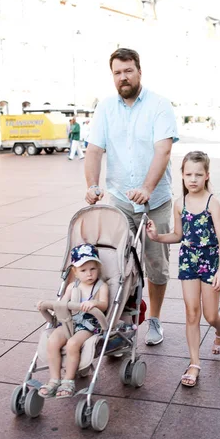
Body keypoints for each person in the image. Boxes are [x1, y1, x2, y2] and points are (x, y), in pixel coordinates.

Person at [84, 47, 179, 346]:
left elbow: (163, 149)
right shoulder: (105, 108)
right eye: (117, 72)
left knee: (156, 265)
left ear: (139, 71)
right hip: (121, 202)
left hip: (156, 201)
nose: (123, 77)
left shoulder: (160, 105)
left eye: (128, 70)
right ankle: (122, 321)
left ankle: (155, 319)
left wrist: (148, 188)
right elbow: (94, 150)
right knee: (115, 263)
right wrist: (91, 184)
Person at [146, 151, 220, 387]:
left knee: (210, 316)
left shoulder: (213, 203)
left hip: (210, 260)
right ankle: (194, 364)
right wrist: (157, 236)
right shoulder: (179, 204)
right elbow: (179, 235)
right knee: (192, 313)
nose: (193, 179)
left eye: (198, 174)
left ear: (206, 176)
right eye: (188, 174)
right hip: (188, 261)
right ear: (181, 176)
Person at [37, 243, 108, 398]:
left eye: (93, 269)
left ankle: (68, 380)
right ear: (75, 272)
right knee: (53, 340)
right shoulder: (71, 286)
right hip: (69, 322)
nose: (89, 274)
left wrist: (94, 303)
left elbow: (104, 305)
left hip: (88, 325)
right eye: (83, 270)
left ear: (98, 268)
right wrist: (46, 305)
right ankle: (54, 379)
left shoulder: (101, 286)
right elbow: (61, 305)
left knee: (72, 344)